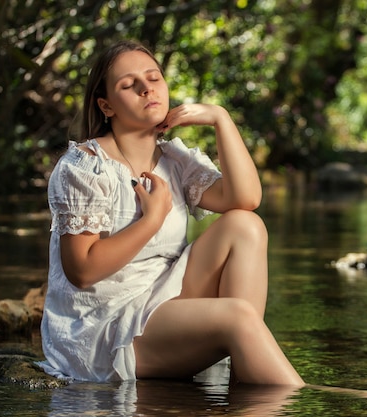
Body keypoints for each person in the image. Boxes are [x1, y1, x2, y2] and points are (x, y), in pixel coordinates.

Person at [39, 39, 304, 387]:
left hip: (162, 298)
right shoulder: (85, 167)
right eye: (128, 85)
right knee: (239, 316)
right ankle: (291, 400)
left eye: (154, 78)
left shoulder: (175, 160)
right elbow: (82, 271)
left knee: (246, 225)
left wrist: (221, 120)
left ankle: (249, 379)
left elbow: (246, 198)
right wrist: (151, 220)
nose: (147, 88)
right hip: (103, 325)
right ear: (106, 106)